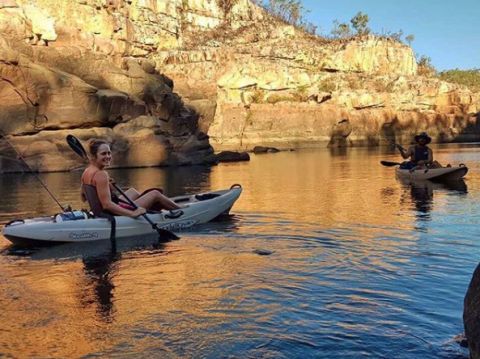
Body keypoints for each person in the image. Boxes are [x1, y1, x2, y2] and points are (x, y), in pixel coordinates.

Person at [81, 139, 180, 217]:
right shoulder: (101, 174)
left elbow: (83, 197)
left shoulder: (87, 171)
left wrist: (106, 185)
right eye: (103, 154)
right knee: (155, 194)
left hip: (101, 211)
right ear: (94, 156)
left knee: (132, 191)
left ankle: (156, 206)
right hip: (111, 213)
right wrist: (133, 213)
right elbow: (107, 205)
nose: (108, 156)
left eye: (109, 153)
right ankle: (182, 211)